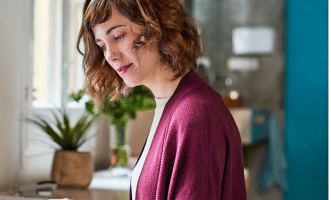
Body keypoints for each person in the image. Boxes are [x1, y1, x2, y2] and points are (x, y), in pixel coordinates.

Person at [77, 0, 247, 199]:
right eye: (102, 46)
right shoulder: (170, 105)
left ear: (157, 26)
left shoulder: (195, 113)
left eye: (119, 36)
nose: (111, 55)